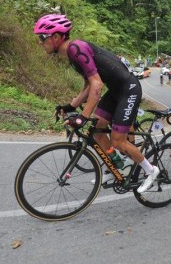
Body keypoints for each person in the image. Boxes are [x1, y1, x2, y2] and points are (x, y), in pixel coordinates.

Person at [33, 14, 159, 193]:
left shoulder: (76, 49)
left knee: (118, 141)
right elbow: (88, 85)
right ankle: (116, 165)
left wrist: (83, 117)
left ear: (55, 37)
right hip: (116, 90)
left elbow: (97, 84)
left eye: (42, 37)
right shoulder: (71, 54)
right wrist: (70, 106)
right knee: (98, 129)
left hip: (129, 89)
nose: (40, 42)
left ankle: (150, 170)